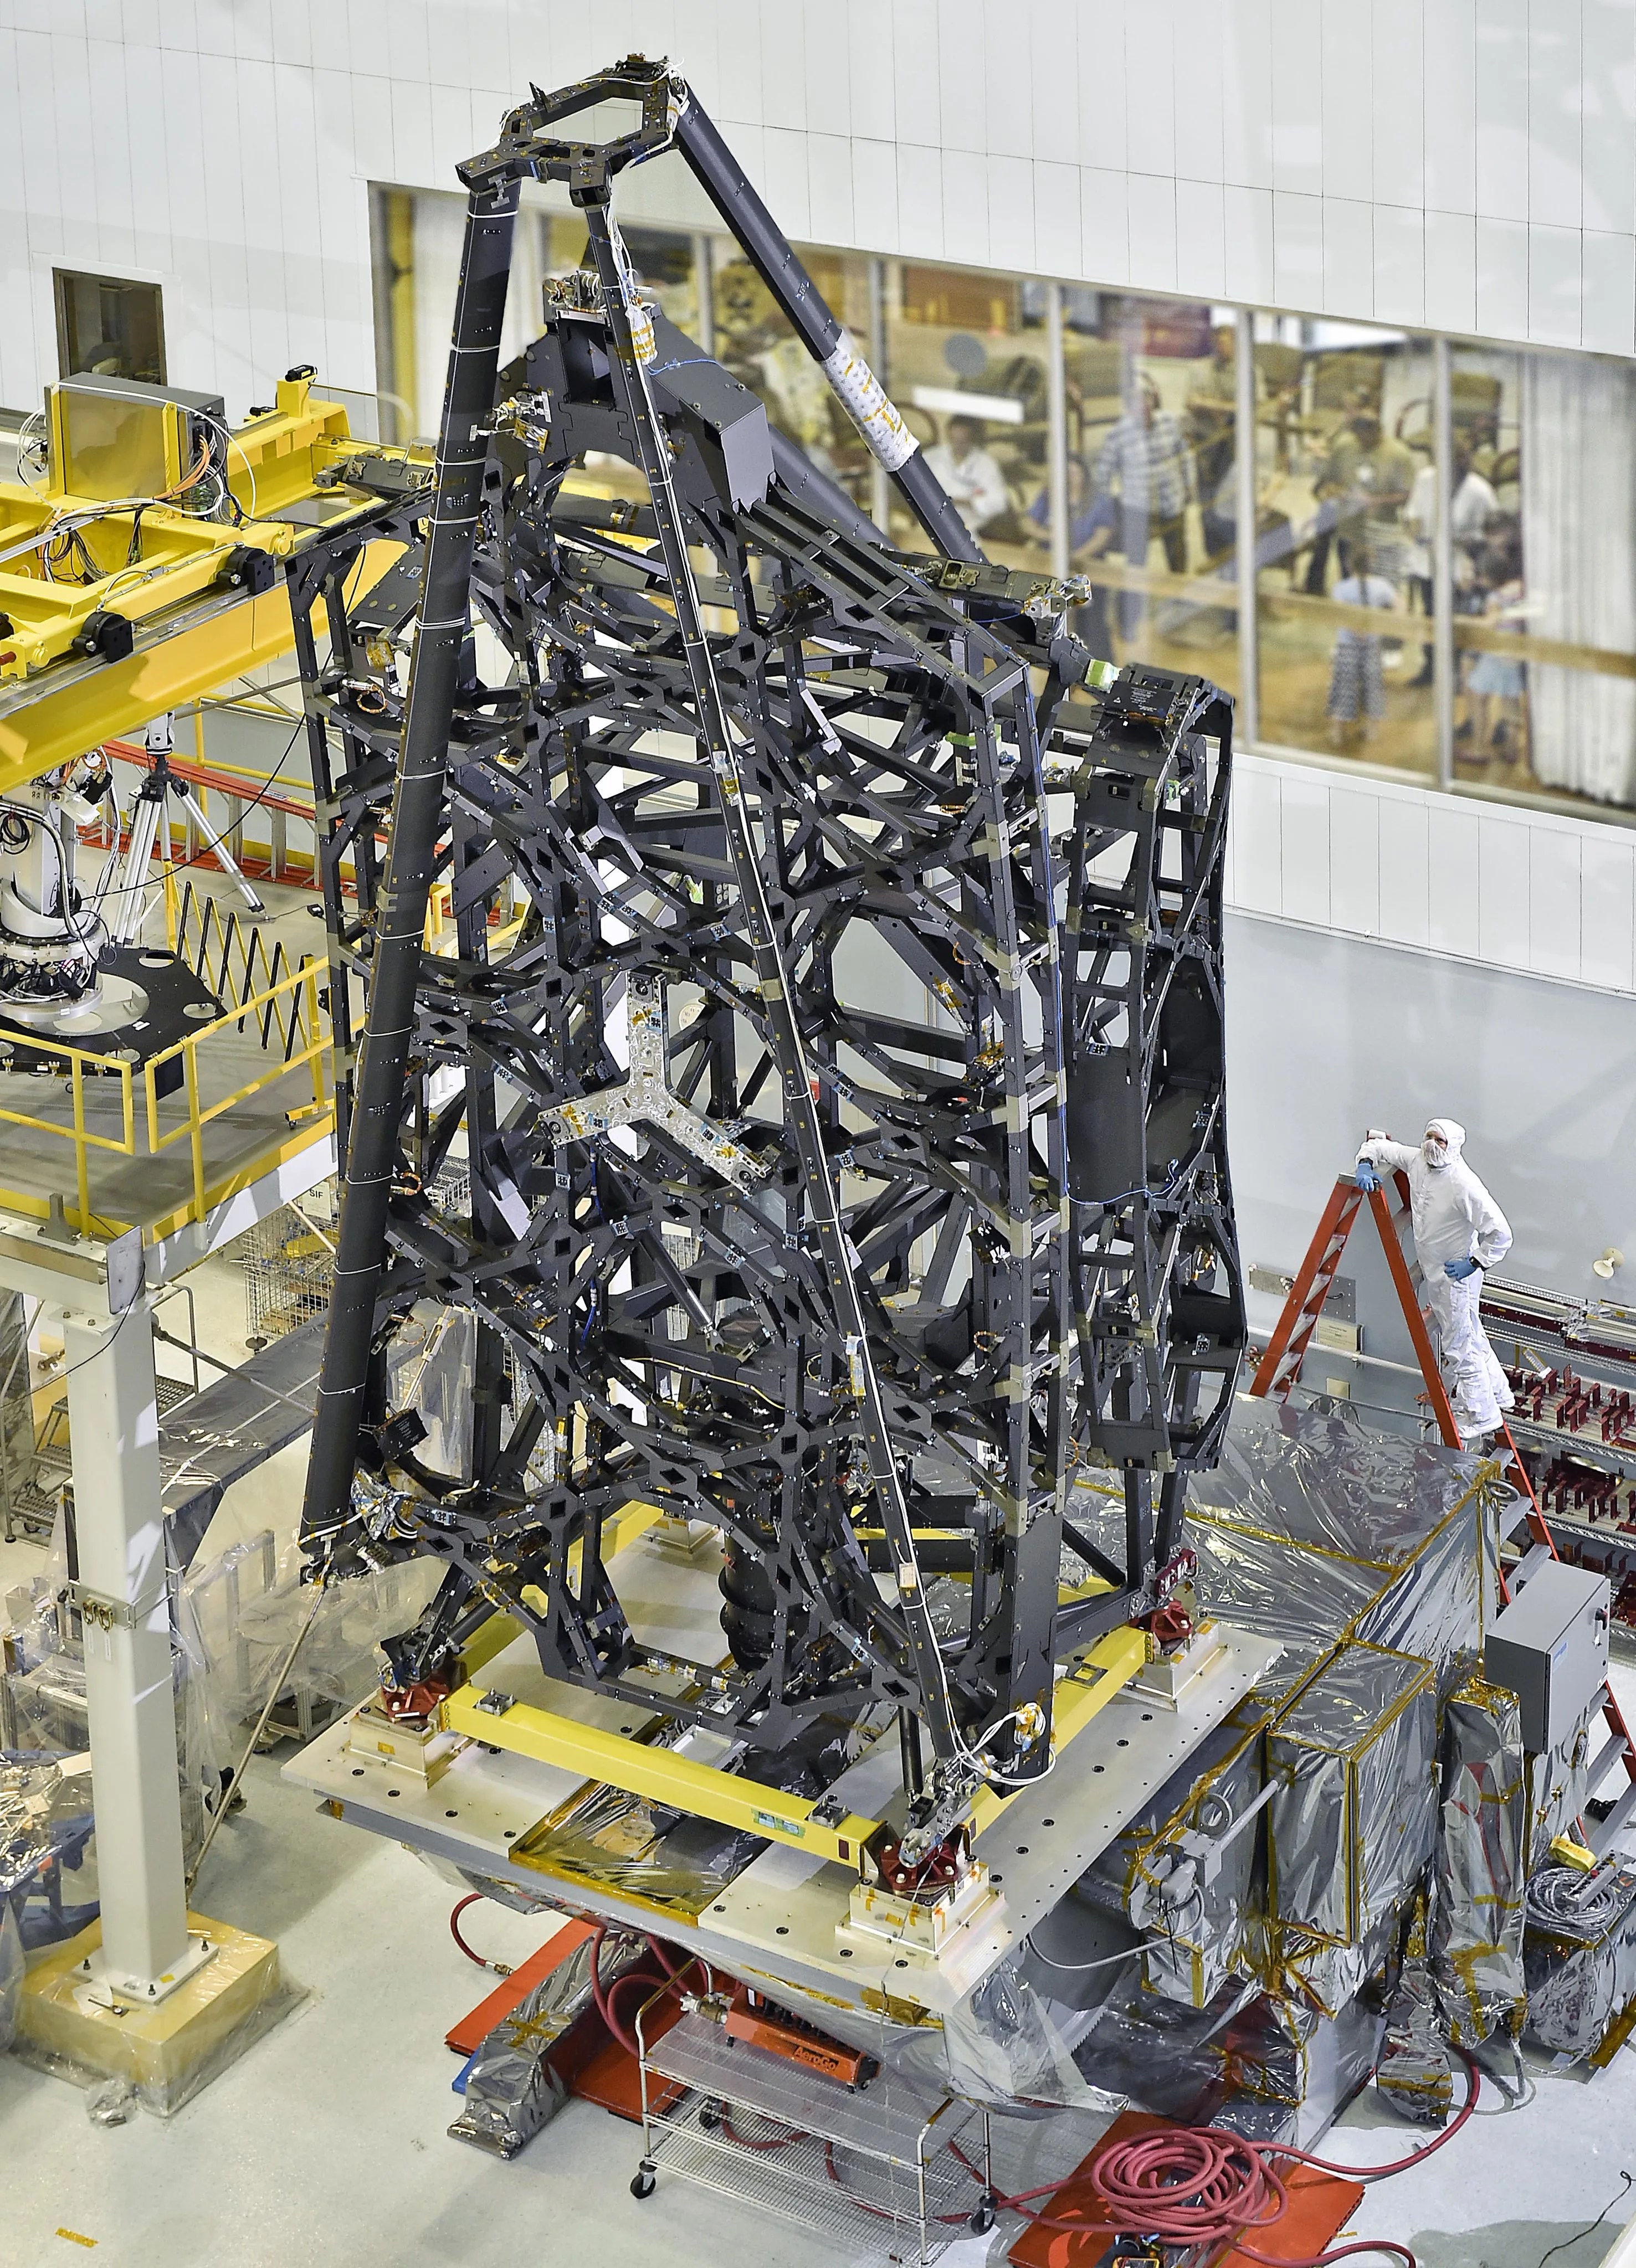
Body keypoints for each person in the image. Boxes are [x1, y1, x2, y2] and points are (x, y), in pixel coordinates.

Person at [1354, 1119, 1514, 1445]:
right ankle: (1499, 1394)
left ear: (1453, 1146)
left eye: (1439, 1140)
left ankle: (1482, 1415)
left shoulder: (1464, 1184)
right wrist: (1365, 1164)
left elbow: (1501, 1233)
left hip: (1456, 1276)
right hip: (1435, 1272)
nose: (1432, 1144)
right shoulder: (1416, 1161)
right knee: (1471, 1333)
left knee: (1460, 1346)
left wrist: (1475, 1262)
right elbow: (1378, 1146)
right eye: (1429, 1137)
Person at [1094, 374, 1193, 640]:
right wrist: (1106, 511)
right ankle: (1129, 623)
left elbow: (1186, 456)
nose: (1144, 405)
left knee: (1179, 561)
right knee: (1136, 566)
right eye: (1137, 401)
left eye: (1147, 398)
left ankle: (1181, 610)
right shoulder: (1119, 434)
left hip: (1172, 505)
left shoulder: (1170, 424)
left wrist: (1189, 486)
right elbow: (1103, 476)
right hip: (1138, 511)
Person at [1325, 551, 1398, 747]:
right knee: (1373, 685)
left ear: (1350, 565)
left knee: (1343, 686)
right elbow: (1399, 606)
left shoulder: (1341, 588)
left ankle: (1337, 731)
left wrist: (1357, 629)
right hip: (1372, 644)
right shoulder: (1383, 586)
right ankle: (1372, 729)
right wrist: (1381, 625)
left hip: (1348, 644)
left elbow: (1340, 614)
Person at [924, 414, 1011, 539]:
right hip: (933, 526)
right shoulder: (932, 458)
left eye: (962, 441)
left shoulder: (986, 464)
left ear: (972, 439)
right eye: (954, 440)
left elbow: (999, 503)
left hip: (975, 530)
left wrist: (967, 502)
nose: (957, 445)